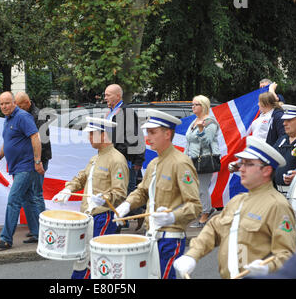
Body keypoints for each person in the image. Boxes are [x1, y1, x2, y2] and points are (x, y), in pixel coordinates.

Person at [174, 136, 296, 279]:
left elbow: (287, 254)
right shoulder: (238, 201)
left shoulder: (278, 205)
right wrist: (192, 255)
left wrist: (267, 268)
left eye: (248, 164)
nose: (241, 169)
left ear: (266, 170)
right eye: (241, 164)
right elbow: (214, 229)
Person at [115, 109, 202, 279]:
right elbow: (142, 191)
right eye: (147, 132)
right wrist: (126, 205)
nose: (148, 137)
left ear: (167, 133)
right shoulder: (154, 163)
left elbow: (195, 205)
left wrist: (172, 217)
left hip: (170, 238)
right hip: (151, 236)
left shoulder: (181, 163)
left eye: (153, 132)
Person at [52, 117, 129, 279]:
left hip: (104, 216)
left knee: (92, 261)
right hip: (89, 216)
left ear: (103, 135)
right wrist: (68, 189)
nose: (88, 137)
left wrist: (104, 199)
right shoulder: (95, 158)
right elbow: (82, 178)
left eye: (91, 134)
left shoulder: (117, 159)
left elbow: (120, 192)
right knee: (86, 259)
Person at [0, 92, 45, 249]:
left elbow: (35, 137)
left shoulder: (23, 117)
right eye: (1, 104)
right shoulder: (7, 120)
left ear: (14, 102)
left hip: (26, 166)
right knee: (29, 199)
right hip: (17, 167)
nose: (4, 106)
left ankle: (6, 238)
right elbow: (8, 141)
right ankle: (38, 233)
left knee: (13, 200)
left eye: (7, 103)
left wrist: (37, 161)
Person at [104, 84, 145, 230]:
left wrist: (138, 160)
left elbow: (136, 137)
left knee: (125, 191)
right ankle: (126, 218)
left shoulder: (126, 112)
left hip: (125, 159)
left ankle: (132, 217)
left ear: (118, 96)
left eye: (108, 95)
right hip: (113, 159)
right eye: (105, 94)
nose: (105, 97)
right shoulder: (111, 112)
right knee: (118, 189)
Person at [15, 91, 52, 243]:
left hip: (38, 160)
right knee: (28, 195)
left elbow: (41, 142)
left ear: (27, 103)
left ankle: (42, 230)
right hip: (30, 160)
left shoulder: (39, 117)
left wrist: (38, 162)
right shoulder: (28, 115)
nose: (17, 108)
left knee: (36, 195)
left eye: (19, 105)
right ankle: (35, 228)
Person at [185, 95, 220, 227]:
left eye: (196, 104)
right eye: (192, 104)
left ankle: (206, 213)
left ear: (203, 106)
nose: (192, 107)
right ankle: (204, 210)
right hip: (192, 159)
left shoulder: (210, 122)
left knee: (201, 188)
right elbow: (188, 141)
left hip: (204, 160)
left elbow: (207, 141)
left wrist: (200, 130)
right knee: (194, 188)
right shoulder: (195, 121)